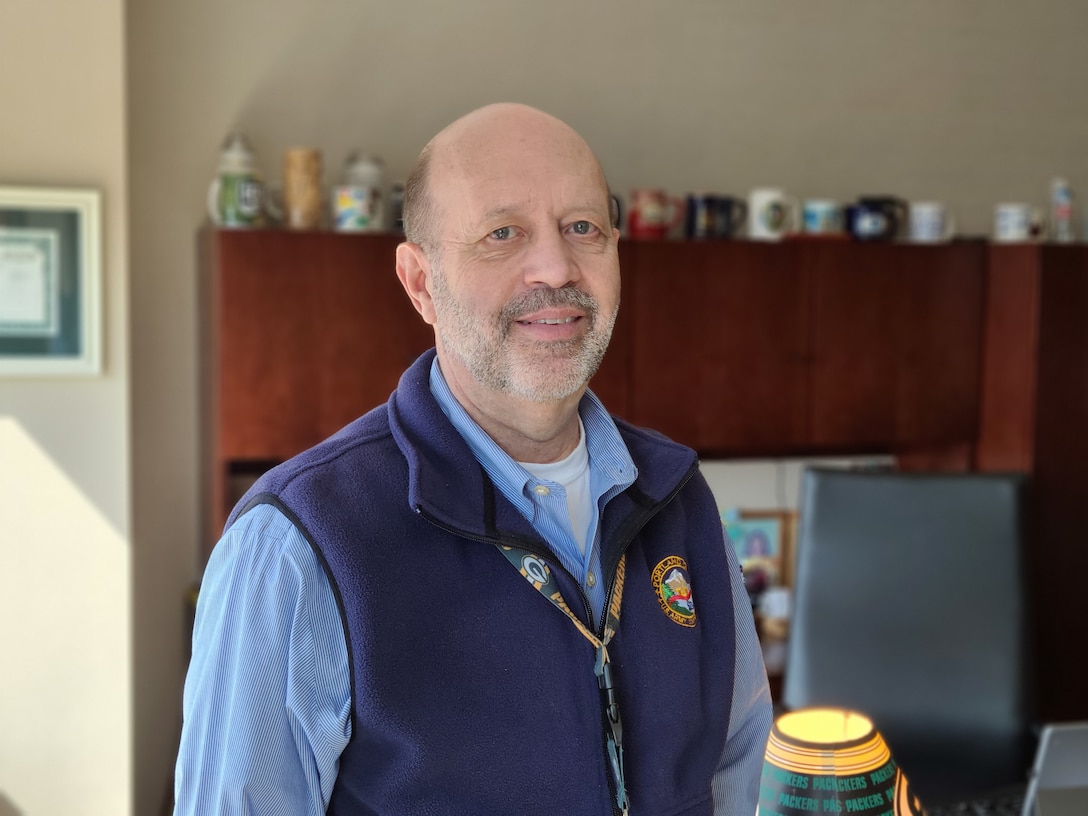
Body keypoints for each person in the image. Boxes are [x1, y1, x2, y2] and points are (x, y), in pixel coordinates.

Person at [174, 102, 772, 816]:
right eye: (502, 234)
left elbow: (744, 776)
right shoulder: (297, 544)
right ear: (420, 282)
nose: (555, 265)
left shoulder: (679, 497)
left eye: (582, 227)